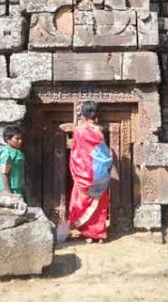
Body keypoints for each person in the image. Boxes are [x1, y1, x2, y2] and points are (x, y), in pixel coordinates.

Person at [68, 101, 113, 243]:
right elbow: (103, 153)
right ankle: (99, 234)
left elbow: (76, 151)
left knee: (81, 201)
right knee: (99, 204)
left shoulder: (78, 130)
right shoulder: (99, 131)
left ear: (82, 115)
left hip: (83, 172)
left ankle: (87, 233)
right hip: (99, 172)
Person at [0, 125, 26, 199]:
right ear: (8, 139)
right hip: (9, 189)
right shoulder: (6, 153)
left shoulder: (17, 152)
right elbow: (4, 174)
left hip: (18, 187)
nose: (20, 141)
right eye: (17, 139)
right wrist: (9, 194)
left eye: (21, 138)